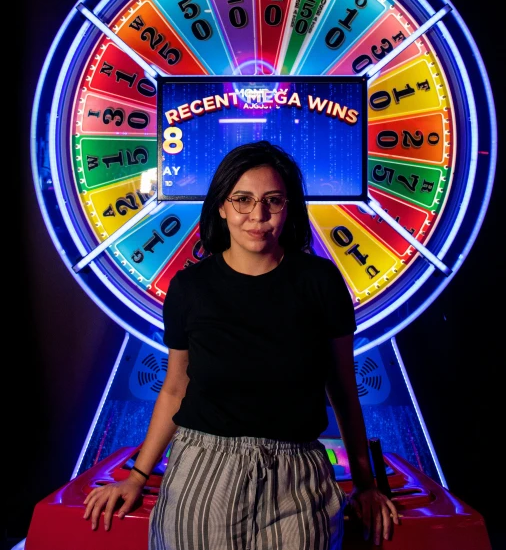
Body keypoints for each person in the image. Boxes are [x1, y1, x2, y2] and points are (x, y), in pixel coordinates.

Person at [84, 140, 399, 548]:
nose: (258, 215)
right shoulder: (189, 287)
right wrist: (137, 476)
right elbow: (176, 388)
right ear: (221, 206)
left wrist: (366, 485)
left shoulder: (321, 282)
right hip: (203, 470)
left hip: (298, 476)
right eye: (243, 200)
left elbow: (341, 387)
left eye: (273, 200)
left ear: (289, 207)